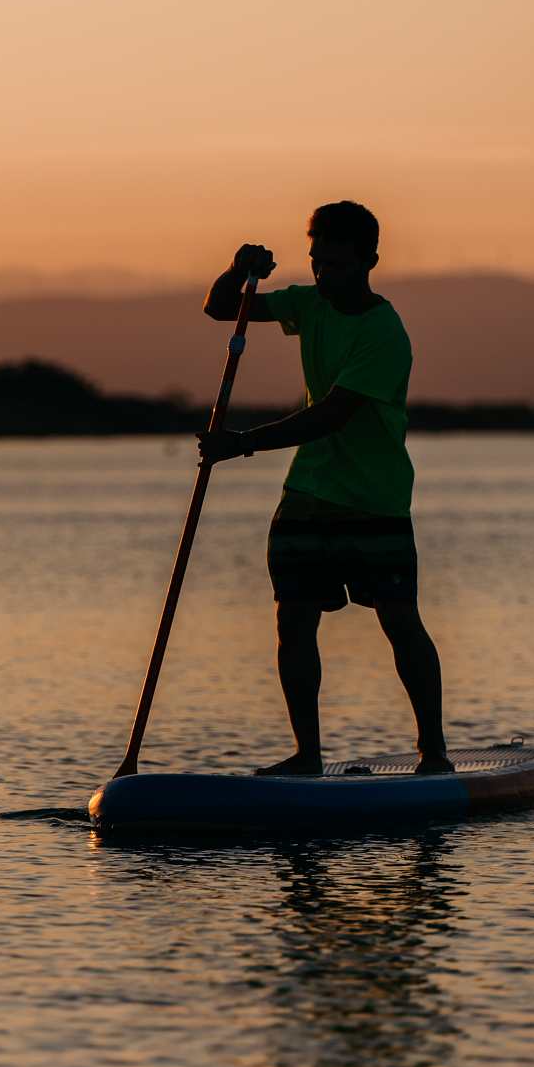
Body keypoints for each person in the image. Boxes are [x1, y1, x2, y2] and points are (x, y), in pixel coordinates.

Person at [198, 200, 453, 776]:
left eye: (336, 265)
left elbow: (331, 414)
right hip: (307, 493)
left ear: (369, 261)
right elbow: (220, 309)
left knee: (398, 619)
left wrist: (241, 444)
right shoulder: (308, 303)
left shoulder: (385, 333)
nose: (323, 275)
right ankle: (307, 756)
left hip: (374, 499)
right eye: (317, 262)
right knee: (293, 620)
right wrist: (240, 268)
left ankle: (433, 753)